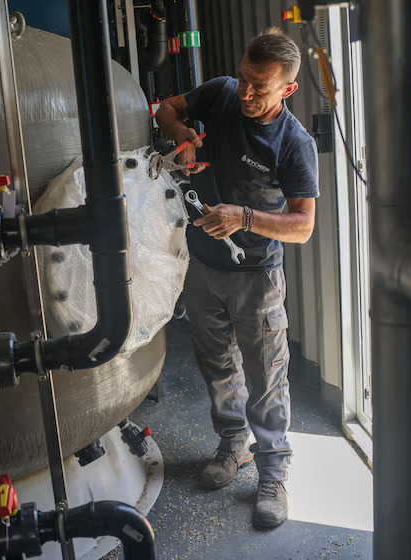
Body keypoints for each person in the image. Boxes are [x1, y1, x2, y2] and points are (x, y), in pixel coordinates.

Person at [155, 27, 319, 529]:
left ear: (287, 89)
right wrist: (183, 138)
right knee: (215, 360)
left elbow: (304, 225)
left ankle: (272, 474)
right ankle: (233, 446)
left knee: (266, 375)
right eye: (246, 79)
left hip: (255, 275)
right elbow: (166, 107)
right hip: (203, 264)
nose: (246, 93)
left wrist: (244, 218)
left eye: (260, 87)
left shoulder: (294, 143)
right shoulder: (224, 91)